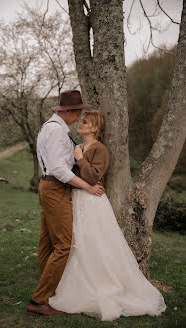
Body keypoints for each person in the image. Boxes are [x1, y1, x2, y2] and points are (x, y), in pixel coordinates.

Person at [49, 110, 167, 321]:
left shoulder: (100, 149)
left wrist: (80, 159)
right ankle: (77, 285)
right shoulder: (79, 147)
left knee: (94, 243)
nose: (81, 123)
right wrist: (76, 155)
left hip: (93, 202)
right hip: (77, 200)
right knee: (77, 242)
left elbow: (93, 177)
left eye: (86, 122)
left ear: (95, 128)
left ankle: (104, 285)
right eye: (81, 120)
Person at [27, 90, 105, 316]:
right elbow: (59, 169)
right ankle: (39, 300)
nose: (80, 115)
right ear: (68, 111)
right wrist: (88, 186)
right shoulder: (56, 131)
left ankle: (48, 292)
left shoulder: (52, 128)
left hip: (50, 186)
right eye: (79, 111)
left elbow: (59, 163)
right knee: (63, 245)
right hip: (55, 188)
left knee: (48, 243)